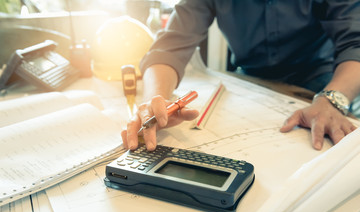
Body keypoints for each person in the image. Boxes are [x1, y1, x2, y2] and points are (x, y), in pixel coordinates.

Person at [121, 0, 360, 151]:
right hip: (251, 82)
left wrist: (333, 99)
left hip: (325, 83)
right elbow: (170, 46)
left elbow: (355, 43)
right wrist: (155, 100)